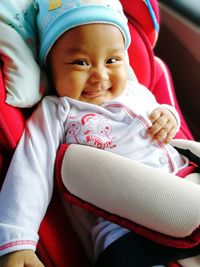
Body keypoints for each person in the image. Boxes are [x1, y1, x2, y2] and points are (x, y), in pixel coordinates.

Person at [0, 1, 199, 266]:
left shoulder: (136, 91)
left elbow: (165, 124)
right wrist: (17, 239)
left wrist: (168, 116)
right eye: (81, 63)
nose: (100, 76)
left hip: (184, 187)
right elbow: (31, 168)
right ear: (51, 66)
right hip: (124, 228)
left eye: (112, 60)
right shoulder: (58, 111)